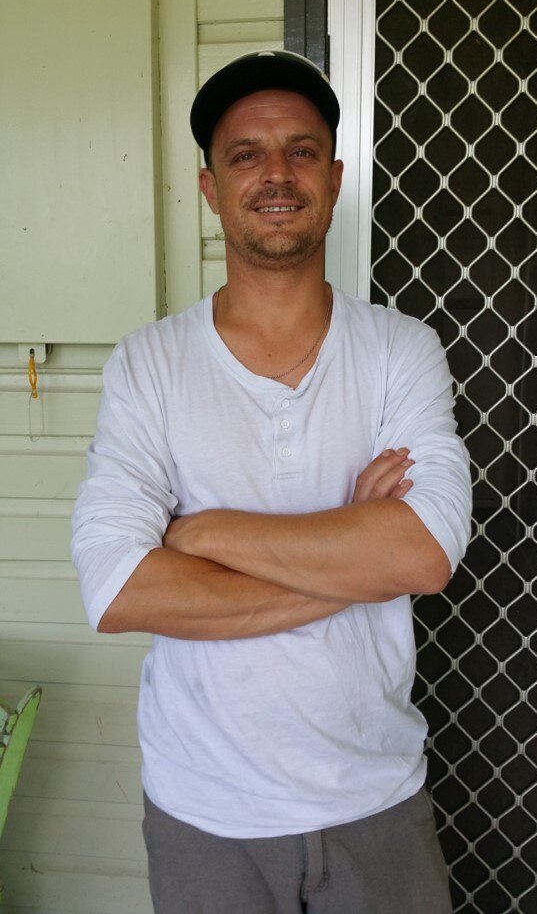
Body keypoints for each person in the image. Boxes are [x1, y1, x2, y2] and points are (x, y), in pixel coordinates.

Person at [71, 50, 472, 914]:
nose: (276, 173)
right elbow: (117, 585)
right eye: (246, 154)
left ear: (332, 178)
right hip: (205, 809)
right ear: (211, 188)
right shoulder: (150, 365)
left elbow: (426, 552)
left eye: (299, 150)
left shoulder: (402, 349)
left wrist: (205, 533)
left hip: (373, 796)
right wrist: (352, 555)